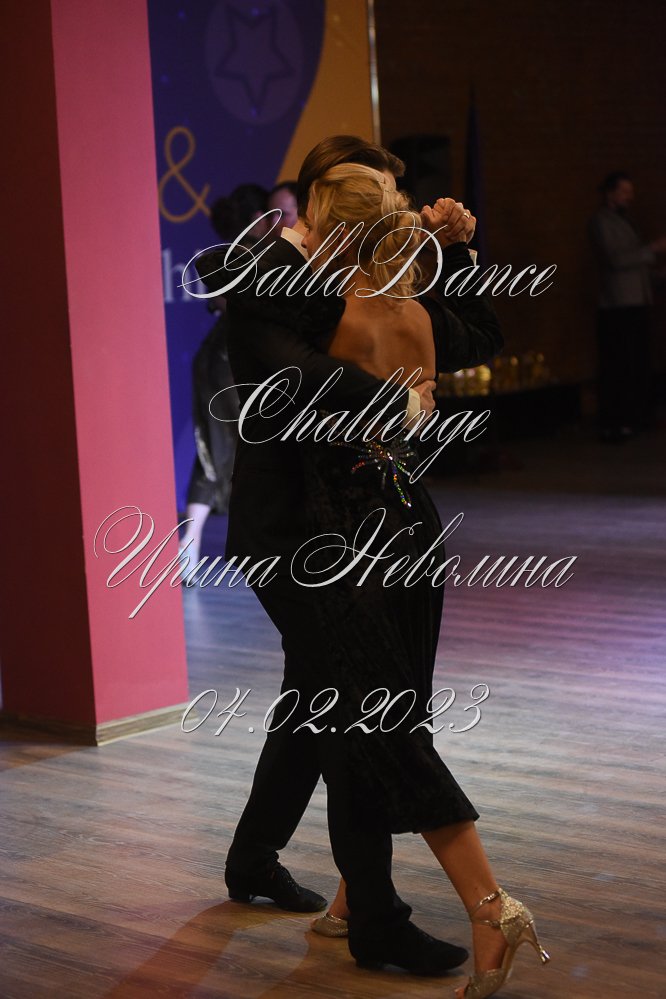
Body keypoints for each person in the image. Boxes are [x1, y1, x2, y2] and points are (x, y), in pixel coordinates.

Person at [195, 135, 504, 977]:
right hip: (288, 534)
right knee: (352, 715)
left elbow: (469, 335)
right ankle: (374, 914)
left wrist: (452, 253)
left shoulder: (365, 273)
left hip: (365, 527)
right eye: (375, 210)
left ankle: (261, 860)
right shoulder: (263, 272)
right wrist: (401, 401)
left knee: (320, 702)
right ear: (322, 204)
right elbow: (299, 376)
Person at [294, 162, 549, 999]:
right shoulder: (414, 312)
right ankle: (354, 895)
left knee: (388, 726)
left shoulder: (329, 315)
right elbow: (472, 337)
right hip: (414, 524)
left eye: (315, 221)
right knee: (387, 713)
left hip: (350, 537)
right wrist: (446, 247)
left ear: (335, 232)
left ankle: (490, 904)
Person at [179, 184, 269, 567]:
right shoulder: (256, 254)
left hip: (216, 357)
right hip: (232, 360)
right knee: (247, 450)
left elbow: (218, 301)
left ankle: (190, 545)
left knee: (212, 451)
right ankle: (260, 547)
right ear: (258, 217)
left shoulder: (229, 254)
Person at [588, 171, 666, 441]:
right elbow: (617, 260)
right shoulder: (601, 221)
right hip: (617, 304)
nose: (629, 197)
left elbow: (634, 264)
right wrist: (653, 249)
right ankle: (617, 420)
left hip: (637, 300)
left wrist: (657, 275)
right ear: (610, 193)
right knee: (619, 363)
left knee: (637, 362)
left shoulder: (626, 221)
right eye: (624, 192)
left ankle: (637, 416)